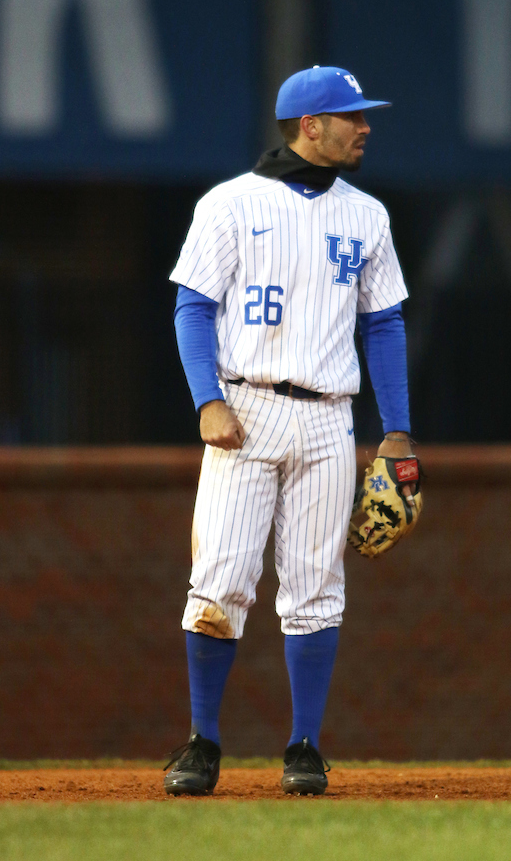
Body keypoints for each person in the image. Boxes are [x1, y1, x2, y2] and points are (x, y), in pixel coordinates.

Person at [164, 66, 411, 796]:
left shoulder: (367, 216)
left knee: (315, 588)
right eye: (352, 116)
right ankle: (202, 741)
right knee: (219, 583)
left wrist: (396, 432)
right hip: (246, 408)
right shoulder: (230, 204)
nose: (365, 126)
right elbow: (192, 308)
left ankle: (304, 744)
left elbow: (385, 321)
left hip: (330, 416)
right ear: (310, 125)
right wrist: (207, 400)